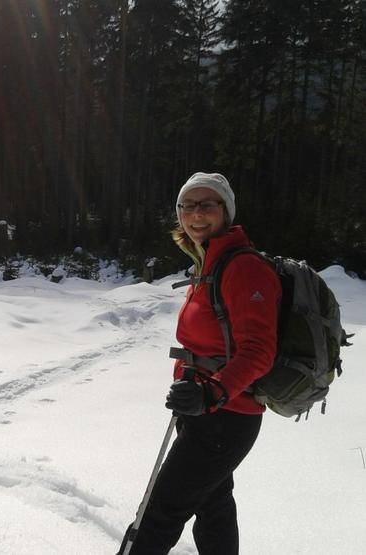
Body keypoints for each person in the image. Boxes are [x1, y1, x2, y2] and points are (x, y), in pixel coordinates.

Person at [117, 172, 281, 555]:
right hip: (203, 410)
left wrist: (212, 391)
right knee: (214, 505)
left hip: (227, 415)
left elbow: (260, 350)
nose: (196, 214)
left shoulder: (243, 267)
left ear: (226, 211)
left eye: (208, 204)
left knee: (158, 515)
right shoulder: (209, 263)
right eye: (187, 206)